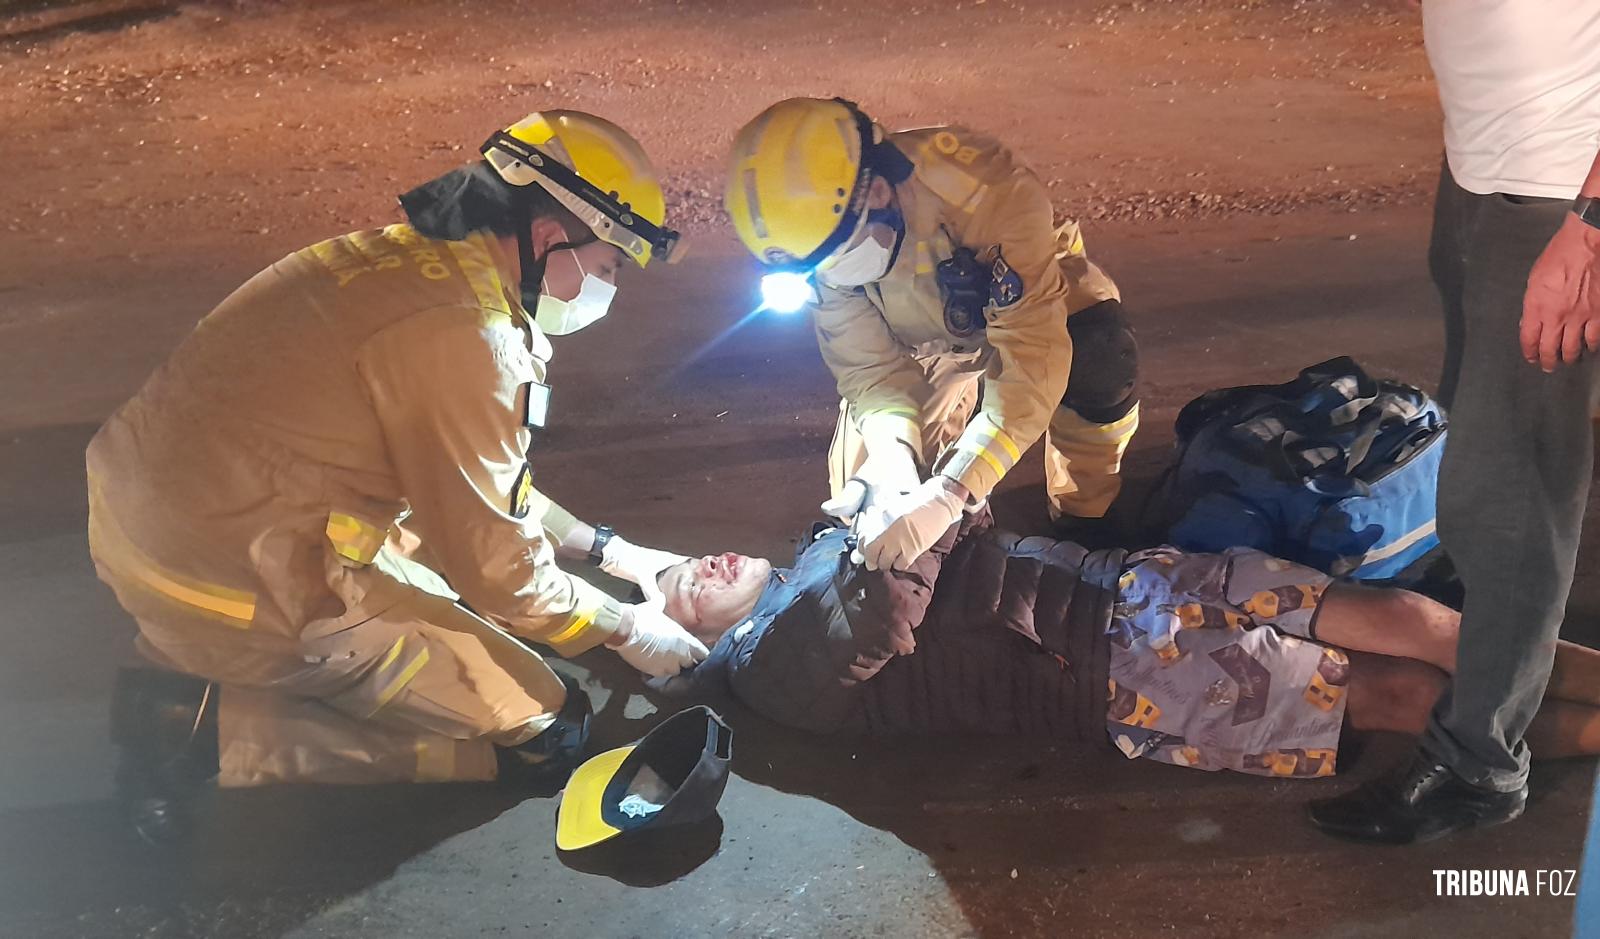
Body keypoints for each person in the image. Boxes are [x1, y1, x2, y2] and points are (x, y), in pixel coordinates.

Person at [88, 112, 709, 838]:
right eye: (609, 266)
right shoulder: (468, 338)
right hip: (240, 578)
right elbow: (503, 572)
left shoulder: (406, 260)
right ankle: (202, 733)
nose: (609, 288)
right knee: (552, 727)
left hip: (160, 515)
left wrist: (609, 551)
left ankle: (186, 670)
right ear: (548, 239)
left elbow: (466, 478)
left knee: (466, 597)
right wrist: (623, 624)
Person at [645, 514, 1600, 781]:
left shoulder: (816, 551)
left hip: (1132, 582)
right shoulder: (765, 670)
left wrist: (917, 509)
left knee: (1418, 620)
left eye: (689, 557)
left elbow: (928, 524)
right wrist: (917, 515)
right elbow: (886, 601)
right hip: (1125, 678)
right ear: (694, 635)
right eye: (688, 584)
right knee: (1398, 695)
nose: (704, 561)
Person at [1306, 4, 1600, 844]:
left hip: (1557, 203)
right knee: (1479, 451)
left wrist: (1590, 232)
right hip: (1481, 174)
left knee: (1507, 492)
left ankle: (1479, 764)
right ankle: (1498, 659)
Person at [723, 98, 1139, 572]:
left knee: (1099, 353)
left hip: (1030, 309)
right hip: (918, 343)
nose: (830, 276)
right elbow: (871, 371)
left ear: (878, 192)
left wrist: (953, 491)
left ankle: (1086, 518)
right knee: (865, 520)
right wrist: (892, 453)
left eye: (837, 256)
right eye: (816, 270)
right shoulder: (818, 245)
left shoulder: (986, 190)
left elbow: (1032, 358)